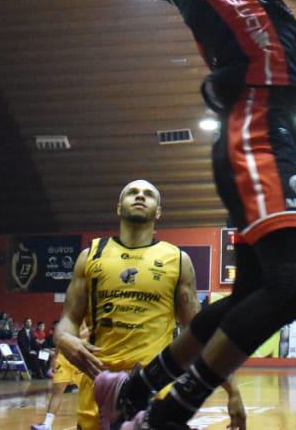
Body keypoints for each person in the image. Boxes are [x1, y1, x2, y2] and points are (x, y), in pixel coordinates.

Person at [97, 0, 296, 430]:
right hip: (256, 127)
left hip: (266, 129)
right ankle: (169, 414)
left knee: (254, 294)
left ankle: (135, 392)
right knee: (293, 289)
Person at [54, 180, 245, 430]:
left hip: (153, 394)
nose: (140, 196)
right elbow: (69, 318)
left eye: (148, 194)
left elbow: (199, 334)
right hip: (97, 392)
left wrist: (233, 390)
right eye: (132, 193)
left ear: (158, 212)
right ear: (119, 208)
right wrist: (62, 337)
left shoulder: (177, 259)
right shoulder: (91, 255)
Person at [33, 323, 91, 430]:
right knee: (57, 392)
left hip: (80, 362)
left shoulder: (90, 321)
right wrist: (54, 358)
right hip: (63, 361)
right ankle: (47, 425)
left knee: (90, 394)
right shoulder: (68, 320)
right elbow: (60, 341)